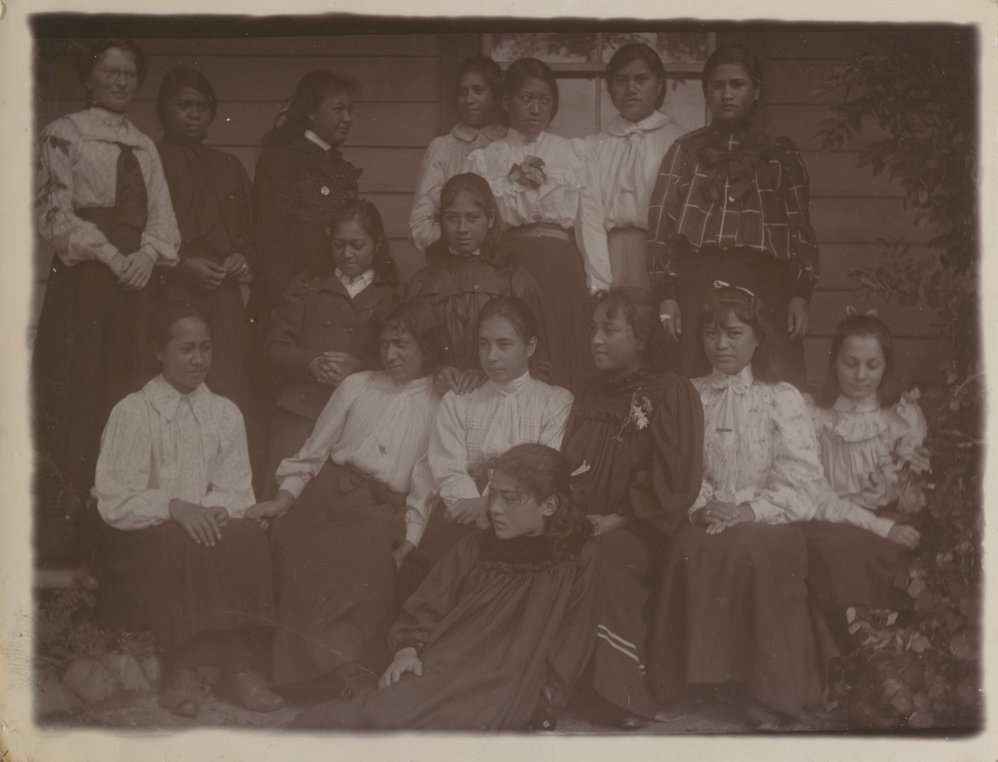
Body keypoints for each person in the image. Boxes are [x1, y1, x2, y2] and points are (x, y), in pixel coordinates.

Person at [291, 443, 597, 732]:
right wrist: (407, 651)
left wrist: (545, 702)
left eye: (510, 498)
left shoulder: (575, 557)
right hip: (444, 666)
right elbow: (425, 606)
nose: (496, 509)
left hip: (508, 683)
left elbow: (570, 640)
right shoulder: (476, 548)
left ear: (549, 506)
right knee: (346, 721)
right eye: (493, 496)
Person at [647, 284, 846, 728]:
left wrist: (750, 511)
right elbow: (679, 469)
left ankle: (766, 693)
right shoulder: (688, 395)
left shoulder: (781, 397)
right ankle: (689, 687)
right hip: (706, 512)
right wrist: (702, 507)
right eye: (712, 334)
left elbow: (802, 476)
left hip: (769, 515)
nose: (721, 345)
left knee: (753, 551)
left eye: (734, 334)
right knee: (690, 548)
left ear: (758, 338)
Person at [245, 299, 449, 697]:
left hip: (381, 508)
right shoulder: (358, 385)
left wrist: (411, 538)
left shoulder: (439, 403)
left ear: (426, 345)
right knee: (294, 544)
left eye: (403, 344)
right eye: (386, 343)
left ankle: (339, 668)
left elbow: (425, 482)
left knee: (361, 555)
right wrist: (284, 499)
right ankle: (314, 672)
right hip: (325, 493)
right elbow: (314, 451)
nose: (391, 354)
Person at [92, 301, 282, 719]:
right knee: (183, 539)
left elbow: (237, 489)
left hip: (201, 527)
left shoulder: (224, 413)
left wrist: (216, 509)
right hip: (142, 536)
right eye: (186, 349)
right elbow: (114, 499)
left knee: (246, 535)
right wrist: (174, 506)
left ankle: (239, 664)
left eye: (206, 348)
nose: (199, 360)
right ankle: (181, 666)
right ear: (160, 352)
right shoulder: (134, 411)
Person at [33, 38, 180, 561]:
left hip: (134, 292)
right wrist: (114, 258)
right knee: (77, 398)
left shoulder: (143, 144)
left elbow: (164, 222)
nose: (121, 82)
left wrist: (145, 255)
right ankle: (65, 542)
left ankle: (117, 538)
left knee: (125, 397)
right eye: (110, 71)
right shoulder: (63, 134)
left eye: (129, 74)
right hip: (87, 288)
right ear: (88, 78)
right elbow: (56, 216)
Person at [561, 287, 704, 728]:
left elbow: (677, 479)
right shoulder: (588, 394)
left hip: (644, 528)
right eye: (592, 330)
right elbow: (568, 465)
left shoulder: (671, 392)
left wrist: (620, 517)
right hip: (588, 520)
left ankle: (620, 692)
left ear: (642, 338)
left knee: (607, 556)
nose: (596, 341)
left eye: (610, 330)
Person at [647, 45, 819, 384]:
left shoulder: (780, 154)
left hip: (766, 281)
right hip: (699, 279)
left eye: (737, 85)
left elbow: (801, 228)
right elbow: (660, 225)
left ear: (755, 91)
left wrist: (801, 292)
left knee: (773, 377)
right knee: (694, 377)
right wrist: (666, 294)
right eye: (718, 85)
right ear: (707, 92)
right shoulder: (685, 152)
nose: (727, 94)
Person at [398, 296, 573, 597]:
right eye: (483, 344)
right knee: (435, 576)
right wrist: (477, 508)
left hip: (522, 519)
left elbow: (541, 468)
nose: (491, 356)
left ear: (529, 347)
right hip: (462, 515)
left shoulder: (555, 401)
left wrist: (490, 505)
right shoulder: (459, 401)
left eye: (504, 345)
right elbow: (447, 467)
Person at [468, 57, 611, 390]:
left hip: (560, 268)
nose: (535, 108)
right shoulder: (486, 157)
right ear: (506, 102)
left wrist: (600, 284)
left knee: (562, 356)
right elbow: (477, 226)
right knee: (513, 349)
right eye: (526, 98)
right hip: (507, 267)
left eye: (544, 100)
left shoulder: (573, 153)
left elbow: (589, 221)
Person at [802, 311, 926, 639]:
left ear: (886, 367)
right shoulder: (817, 416)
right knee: (839, 553)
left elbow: (912, 490)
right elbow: (816, 493)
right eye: (850, 363)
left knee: (905, 550)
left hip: (887, 517)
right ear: (834, 363)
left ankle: (890, 650)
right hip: (830, 519)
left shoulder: (900, 416)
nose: (860, 375)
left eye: (873, 365)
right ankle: (857, 647)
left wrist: (908, 484)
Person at [263, 199, 398, 496]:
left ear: (376, 245)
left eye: (357, 245)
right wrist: (310, 363)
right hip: (301, 409)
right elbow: (274, 347)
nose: (347, 254)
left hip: (358, 416)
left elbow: (403, 359)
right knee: (284, 496)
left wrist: (359, 369)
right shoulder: (308, 285)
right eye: (339, 245)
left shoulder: (390, 295)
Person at [155, 66, 254, 414]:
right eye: (184, 104)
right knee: (176, 383)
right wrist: (180, 266)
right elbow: (136, 235)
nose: (195, 113)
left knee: (229, 380)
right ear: (163, 109)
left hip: (222, 290)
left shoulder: (227, 164)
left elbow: (250, 229)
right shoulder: (149, 160)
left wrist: (242, 257)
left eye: (202, 106)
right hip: (169, 287)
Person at [405, 172, 547, 388]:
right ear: (440, 220)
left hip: (498, 399)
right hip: (436, 396)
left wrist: (490, 375)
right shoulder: (422, 283)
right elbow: (407, 351)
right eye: (452, 218)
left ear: (490, 219)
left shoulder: (514, 280)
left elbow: (538, 360)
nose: (462, 229)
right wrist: (437, 371)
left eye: (472, 218)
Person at [250, 70, 362, 329]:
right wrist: (291, 305)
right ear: (311, 112)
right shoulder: (282, 161)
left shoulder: (341, 169)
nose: (347, 118)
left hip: (329, 299)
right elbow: (270, 243)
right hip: (288, 304)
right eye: (338, 109)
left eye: (350, 110)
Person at [588, 42, 686, 290]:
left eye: (641, 79)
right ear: (610, 88)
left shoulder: (679, 143)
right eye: (621, 80)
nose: (631, 89)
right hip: (606, 252)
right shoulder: (594, 146)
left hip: (660, 252)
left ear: (659, 85)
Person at [408, 55, 506, 253]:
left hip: (503, 262)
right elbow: (419, 224)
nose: (469, 99)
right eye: (462, 92)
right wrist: (458, 246)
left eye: (478, 91)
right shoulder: (443, 148)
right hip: (451, 262)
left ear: (495, 96)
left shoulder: (509, 145)